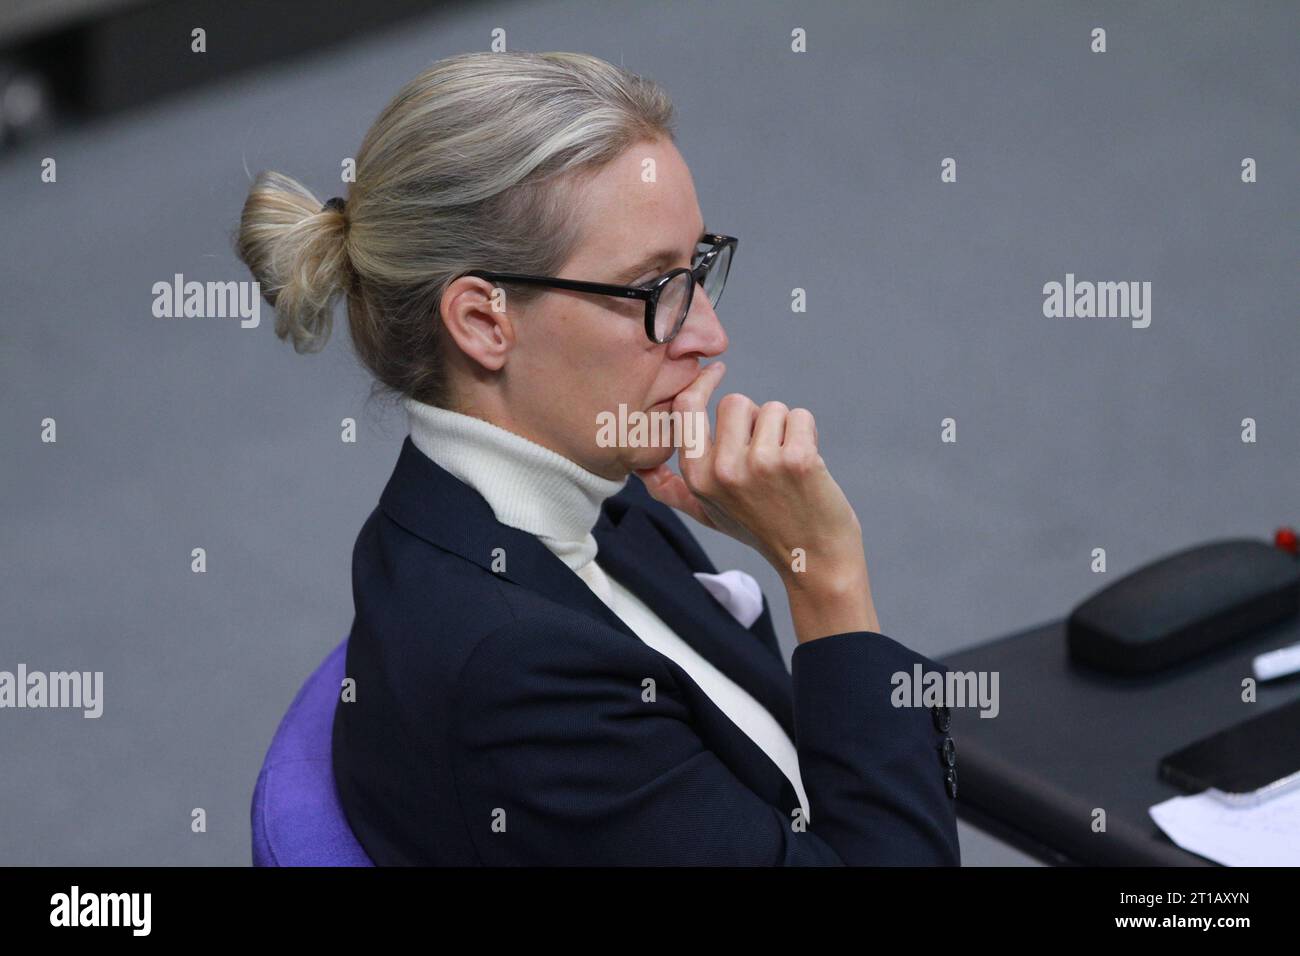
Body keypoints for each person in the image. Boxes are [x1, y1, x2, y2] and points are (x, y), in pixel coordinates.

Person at [236, 49, 959, 865]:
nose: (709, 337)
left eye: (699, 269)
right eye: (652, 292)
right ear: (483, 322)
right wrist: (826, 575)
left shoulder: (597, 492)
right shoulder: (521, 685)